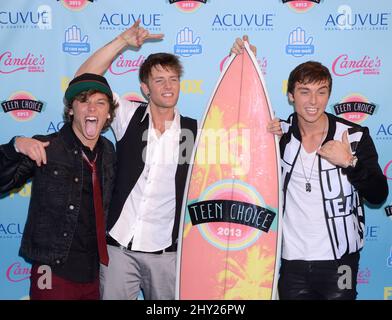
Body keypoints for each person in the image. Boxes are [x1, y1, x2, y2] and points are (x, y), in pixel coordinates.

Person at [232, 37, 389, 300]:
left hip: (341, 262)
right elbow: (240, 115)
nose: (313, 100)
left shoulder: (354, 137)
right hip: (293, 262)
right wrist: (244, 63)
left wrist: (350, 163)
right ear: (291, 96)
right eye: (305, 91)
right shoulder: (280, 137)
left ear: (329, 94)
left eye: (322, 91)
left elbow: (378, 194)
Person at [75, 21, 198, 300]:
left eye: (173, 79)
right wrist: (122, 41)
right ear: (145, 88)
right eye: (159, 80)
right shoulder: (128, 116)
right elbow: (82, 80)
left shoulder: (193, 131)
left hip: (167, 255)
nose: (168, 86)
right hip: (119, 249)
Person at [0, 73, 118, 299]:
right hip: (52, 269)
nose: (92, 108)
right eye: (84, 101)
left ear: (108, 113)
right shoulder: (47, 146)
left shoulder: (109, 151)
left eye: (100, 102)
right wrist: (15, 145)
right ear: (71, 110)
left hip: (95, 271)